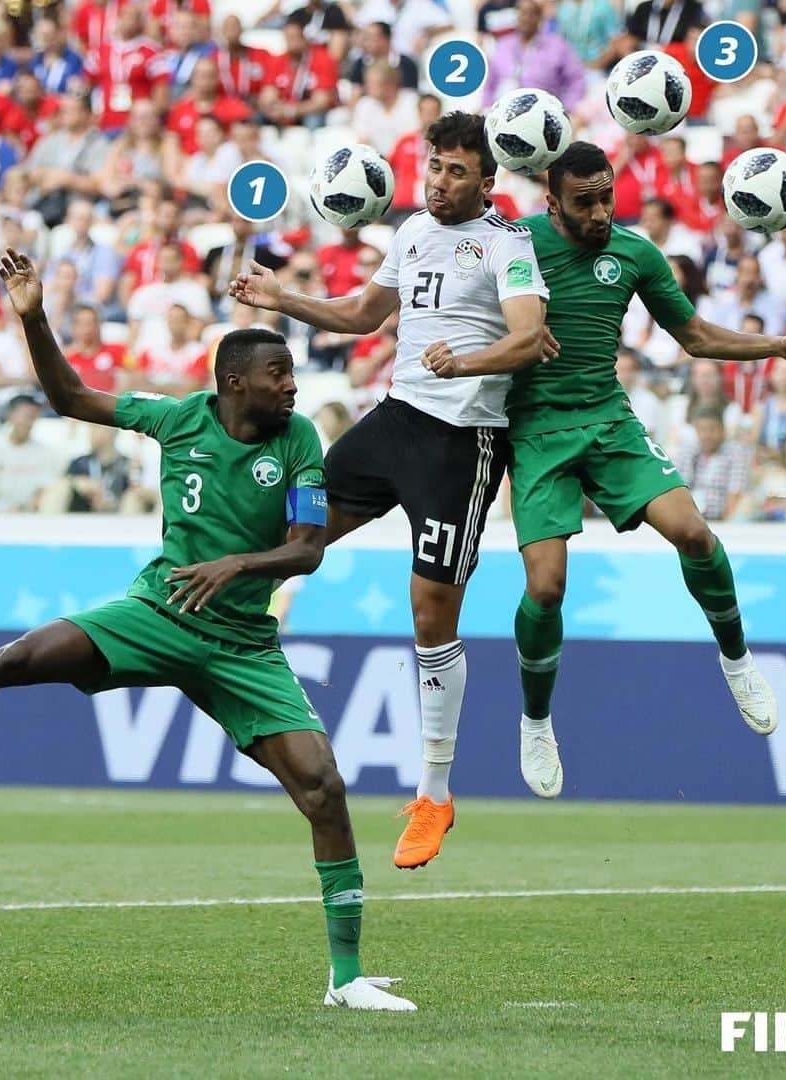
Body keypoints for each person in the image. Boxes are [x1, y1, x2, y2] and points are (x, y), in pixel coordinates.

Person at [0, 248, 416, 1014]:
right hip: (158, 613)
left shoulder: (296, 442)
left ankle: (345, 979)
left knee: (323, 786)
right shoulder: (175, 416)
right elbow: (67, 397)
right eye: (277, 375)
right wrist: (33, 317)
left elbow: (308, 549)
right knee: (15, 657)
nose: (291, 386)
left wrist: (234, 567)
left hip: (240, 645)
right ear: (235, 383)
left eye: (291, 375)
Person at [429, 142, 786, 798]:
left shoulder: (635, 253)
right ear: (551, 202)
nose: (601, 213)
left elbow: (696, 336)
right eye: (584, 202)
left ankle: (737, 660)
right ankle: (535, 721)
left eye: (607, 197)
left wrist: (779, 345)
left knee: (695, 533)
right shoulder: (513, 243)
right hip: (537, 433)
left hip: (609, 421)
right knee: (545, 588)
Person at [230, 111, 549, 869]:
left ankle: (434, 792)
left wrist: (465, 363)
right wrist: (280, 299)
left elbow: (530, 335)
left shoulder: (507, 245)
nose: (440, 182)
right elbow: (363, 316)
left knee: (430, 610)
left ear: (487, 179)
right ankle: (225, 646)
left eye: (457, 172)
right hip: (396, 421)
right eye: (434, 166)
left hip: (462, 443)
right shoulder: (409, 232)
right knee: (287, 533)